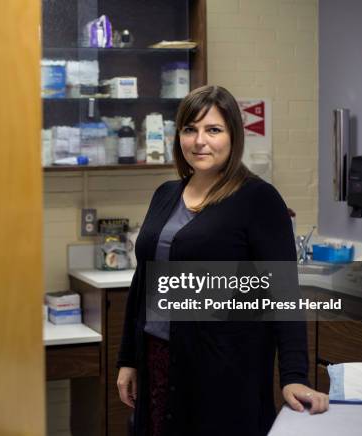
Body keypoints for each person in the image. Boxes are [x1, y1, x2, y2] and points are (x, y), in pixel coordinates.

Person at [116, 85, 329, 436]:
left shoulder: (258, 199)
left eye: (213, 130)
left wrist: (293, 377)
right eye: (190, 129)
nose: (200, 141)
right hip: (159, 358)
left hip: (224, 368)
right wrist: (128, 359)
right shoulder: (166, 194)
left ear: (233, 136)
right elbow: (144, 281)